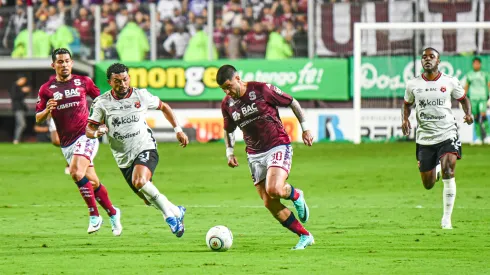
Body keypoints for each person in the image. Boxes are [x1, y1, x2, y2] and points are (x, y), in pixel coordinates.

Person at [216, 64, 314, 250]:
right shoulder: (227, 104)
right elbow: (228, 130)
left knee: (275, 189)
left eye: (229, 86)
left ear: (238, 78)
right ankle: (304, 235)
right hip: (254, 155)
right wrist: (229, 152)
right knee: (269, 202)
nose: (228, 91)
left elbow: (292, 101)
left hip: (277, 144)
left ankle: (295, 194)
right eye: (223, 89)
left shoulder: (262, 89)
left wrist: (305, 128)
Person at [86, 63, 188, 238]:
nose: (123, 84)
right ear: (110, 82)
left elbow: (164, 107)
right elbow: (89, 129)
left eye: (125, 79)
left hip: (145, 146)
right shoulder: (102, 103)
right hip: (123, 157)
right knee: (147, 198)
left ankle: (170, 217)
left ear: (129, 78)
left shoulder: (141, 95)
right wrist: (97, 132)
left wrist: (177, 129)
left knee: (140, 181)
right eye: (117, 81)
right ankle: (176, 211)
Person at [35, 48, 122, 236]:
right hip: (67, 143)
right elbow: (38, 118)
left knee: (75, 172)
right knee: (92, 181)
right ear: (53, 65)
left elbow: (101, 102)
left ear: (72, 63)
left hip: (86, 135)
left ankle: (94, 215)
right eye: (60, 61)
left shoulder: (83, 82)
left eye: (67, 61)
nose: (64, 64)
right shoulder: (46, 90)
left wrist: (104, 124)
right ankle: (113, 213)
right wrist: (47, 111)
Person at [402, 47, 473, 230]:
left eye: (431, 57)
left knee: (449, 170)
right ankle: (436, 168)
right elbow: (407, 104)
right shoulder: (413, 84)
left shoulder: (449, 81)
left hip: (447, 133)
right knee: (428, 184)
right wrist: (405, 119)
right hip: (425, 137)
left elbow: (464, 99)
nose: (427, 59)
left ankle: (446, 219)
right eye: (424, 57)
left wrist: (468, 114)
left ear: (438, 61)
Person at [464, 57, 490, 145]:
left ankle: (488, 136)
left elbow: (489, 84)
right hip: (473, 98)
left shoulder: (485, 73)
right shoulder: (469, 74)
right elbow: (467, 86)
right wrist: (463, 96)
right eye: (474, 63)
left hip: (482, 97)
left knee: (483, 115)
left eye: (477, 63)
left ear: (480, 64)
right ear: (473, 64)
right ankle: (478, 137)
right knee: (475, 117)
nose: (476, 65)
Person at [9, 73, 31, 144]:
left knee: (20, 124)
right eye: (24, 80)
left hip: (21, 108)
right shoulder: (14, 86)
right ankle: (16, 139)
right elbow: (14, 97)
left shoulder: (19, 87)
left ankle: (17, 139)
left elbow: (22, 97)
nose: (24, 82)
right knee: (21, 124)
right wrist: (23, 91)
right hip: (17, 108)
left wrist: (26, 92)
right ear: (20, 79)